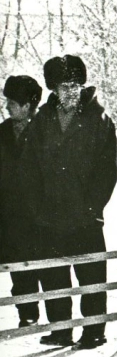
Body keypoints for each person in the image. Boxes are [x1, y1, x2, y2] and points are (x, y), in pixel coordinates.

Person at [22, 55, 117, 349]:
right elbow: (29, 169)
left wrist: (92, 207)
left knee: (91, 273)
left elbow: (109, 168)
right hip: (49, 216)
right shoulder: (41, 120)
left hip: (86, 215)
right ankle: (61, 329)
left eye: (76, 85)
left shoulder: (99, 120)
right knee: (54, 274)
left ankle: (93, 330)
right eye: (64, 86)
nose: (71, 91)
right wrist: (38, 209)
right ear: (53, 88)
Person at [0, 75, 43, 327]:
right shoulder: (2, 132)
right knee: (18, 268)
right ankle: (27, 315)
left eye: (12, 102)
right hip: (9, 217)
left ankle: (58, 322)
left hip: (41, 215)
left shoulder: (45, 132)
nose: (6, 107)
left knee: (47, 268)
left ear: (27, 105)